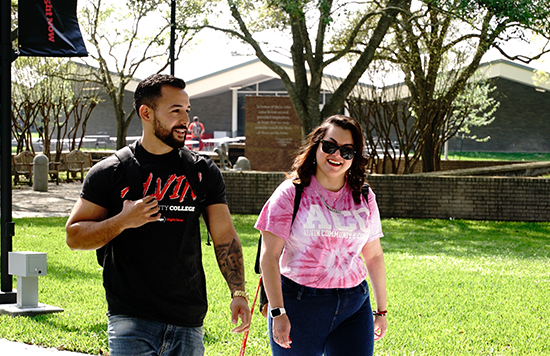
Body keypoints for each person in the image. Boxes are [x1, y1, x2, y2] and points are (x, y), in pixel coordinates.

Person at [65, 74, 251, 356]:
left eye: (186, 110)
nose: (185, 119)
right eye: (175, 110)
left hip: (188, 320)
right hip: (131, 319)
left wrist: (238, 292)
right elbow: (74, 235)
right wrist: (123, 221)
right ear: (146, 113)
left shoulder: (202, 172)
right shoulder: (110, 172)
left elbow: (225, 236)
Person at [255, 115, 388, 356]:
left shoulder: (364, 196)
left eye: (347, 151)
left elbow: (374, 255)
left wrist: (381, 311)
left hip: (354, 304)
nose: (337, 155)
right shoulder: (290, 194)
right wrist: (278, 312)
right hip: (299, 304)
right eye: (330, 146)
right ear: (316, 145)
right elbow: (269, 257)